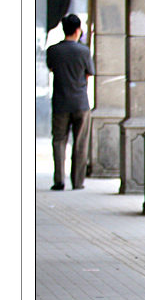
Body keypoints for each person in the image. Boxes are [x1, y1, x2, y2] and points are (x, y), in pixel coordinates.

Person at [46, 13, 95, 191]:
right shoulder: (84, 51)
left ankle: (59, 180)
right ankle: (78, 181)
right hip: (80, 103)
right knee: (80, 142)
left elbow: (52, 68)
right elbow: (89, 73)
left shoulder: (53, 50)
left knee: (59, 140)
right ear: (77, 30)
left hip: (60, 102)